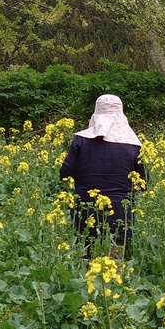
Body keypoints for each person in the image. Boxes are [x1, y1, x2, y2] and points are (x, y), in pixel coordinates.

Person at [60, 94, 145, 258]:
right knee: (114, 264)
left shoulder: (80, 140)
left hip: (85, 209)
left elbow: (65, 173)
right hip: (120, 212)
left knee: (85, 263)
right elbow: (143, 183)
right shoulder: (134, 144)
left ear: (95, 114)